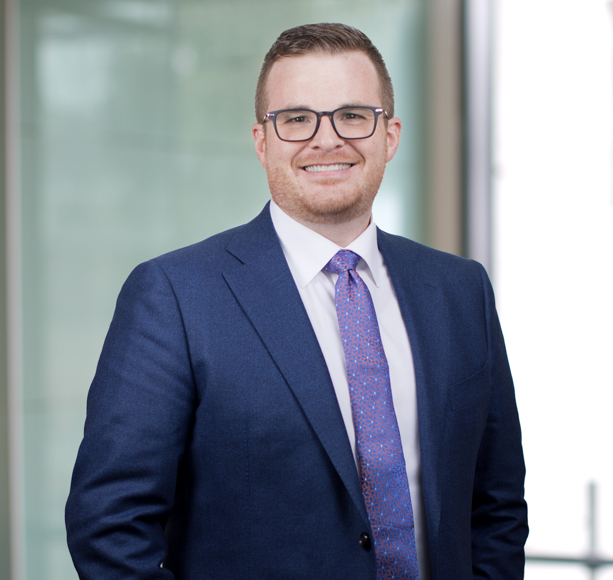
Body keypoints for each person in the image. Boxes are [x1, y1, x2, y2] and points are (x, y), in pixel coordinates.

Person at [65, 22, 527, 579]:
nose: (326, 139)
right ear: (262, 142)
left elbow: (496, 506)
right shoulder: (174, 296)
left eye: (352, 115)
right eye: (296, 119)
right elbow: (109, 526)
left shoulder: (459, 290)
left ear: (390, 136)